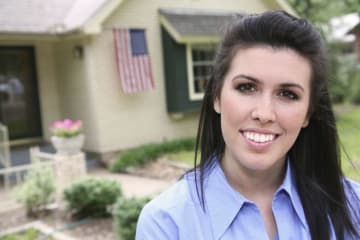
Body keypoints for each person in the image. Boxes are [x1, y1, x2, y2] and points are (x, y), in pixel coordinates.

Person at [136, 10, 360, 239]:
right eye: (247, 87)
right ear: (216, 96)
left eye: (287, 94)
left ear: (307, 114)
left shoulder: (354, 207)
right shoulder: (166, 223)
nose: (264, 114)